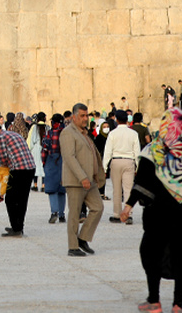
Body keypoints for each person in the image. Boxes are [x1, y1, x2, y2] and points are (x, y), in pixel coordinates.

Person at [122, 109, 182, 313]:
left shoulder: (153, 151)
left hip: (158, 215)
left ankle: (155, 300)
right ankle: (178, 305)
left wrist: (128, 206)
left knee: (151, 255)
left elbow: (142, 183)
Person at [61, 103, 105, 256]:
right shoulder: (68, 133)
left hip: (89, 181)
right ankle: (72, 247)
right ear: (74, 117)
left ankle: (83, 238)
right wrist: (82, 177)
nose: (85, 118)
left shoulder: (84, 133)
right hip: (76, 181)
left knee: (98, 208)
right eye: (82, 116)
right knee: (74, 214)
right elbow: (70, 158)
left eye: (87, 115)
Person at [0, 120, 36, 237]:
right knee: (22, 199)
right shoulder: (14, 134)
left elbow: (3, 159)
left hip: (18, 170)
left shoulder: (1, 138)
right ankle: (19, 226)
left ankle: (16, 228)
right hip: (30, 168)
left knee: (10, 199)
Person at [103, 109, 141, 224]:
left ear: (117, 120)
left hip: (116, 161)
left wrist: (104, 167)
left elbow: (107, 152)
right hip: (129, 161)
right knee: (128, 189)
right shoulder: (133, 134)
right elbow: (137, 152)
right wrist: (138, 167)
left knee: (117, 190)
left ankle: (116, 214)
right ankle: (128, 214)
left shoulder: (112, 133)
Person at [41, 113, 67, 223]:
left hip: (52, 161)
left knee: (52, 189)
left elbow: (44, 149)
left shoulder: (49, 134)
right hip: (65, 162)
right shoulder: (67, 133)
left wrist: (44, 163)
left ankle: (54, 212)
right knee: (62, 190)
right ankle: (62, 214)